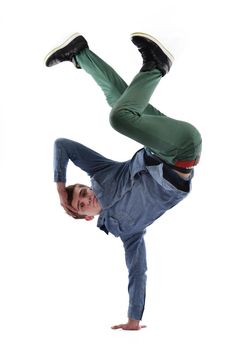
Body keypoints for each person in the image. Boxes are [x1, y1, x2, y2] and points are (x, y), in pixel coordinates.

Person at [45, 32, 202, 331]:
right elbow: (137, 272)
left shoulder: (102, 172)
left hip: (161, 145)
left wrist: (59, 186)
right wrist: (134, 319)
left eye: (82, 192)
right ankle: (155, 67)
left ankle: (80, 54)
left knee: (118, 100)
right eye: (80, 204)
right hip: (182, 153)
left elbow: (62, 144)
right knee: (120, 117)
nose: (85, 198)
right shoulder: (127, 232)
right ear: (86, 217)